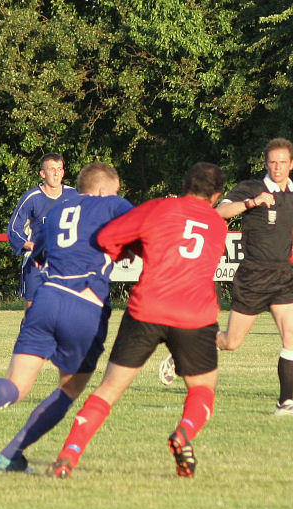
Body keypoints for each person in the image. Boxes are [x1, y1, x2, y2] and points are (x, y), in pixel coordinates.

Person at [48, 162, 229, 479]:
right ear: (215, 196)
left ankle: (67, 457)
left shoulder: (159, 207)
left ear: (184, 184)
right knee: (202, 388)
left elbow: (107, 237)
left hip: (147, 308)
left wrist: (131, 248)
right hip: (194, 315)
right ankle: (184, 433)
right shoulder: (217, 225)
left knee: (109, 389)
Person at [0, 162, 134, 472]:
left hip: (46, 299)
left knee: (16, 385)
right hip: (85, 303)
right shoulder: (110, 203)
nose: (117, 197)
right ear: (101, 190)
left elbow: (38, 255)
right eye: (116, 192)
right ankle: (10, 453)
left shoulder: (57, 212)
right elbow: (142, 224)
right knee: (69, 389)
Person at [214, 138, 293, 416]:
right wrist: (250, 203)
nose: (277, 167)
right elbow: (220, 212)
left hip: (284, 274)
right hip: (254, 275)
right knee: (231, 343)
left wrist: (291, 238)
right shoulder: (252, 187)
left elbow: (280, 227)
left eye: (283, 162)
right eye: (272, 162)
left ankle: (286, 403)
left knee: (292, 334)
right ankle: (191, 342)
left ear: (292, 164)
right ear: (265, 163)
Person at [7, 153, 79, 308]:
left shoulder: (74, 195)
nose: (56, 173)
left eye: (59, 169)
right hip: (37, 262)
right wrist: (29, 245)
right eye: (52, 169)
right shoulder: (32, 198)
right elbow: (14, 228)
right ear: (42, 173)